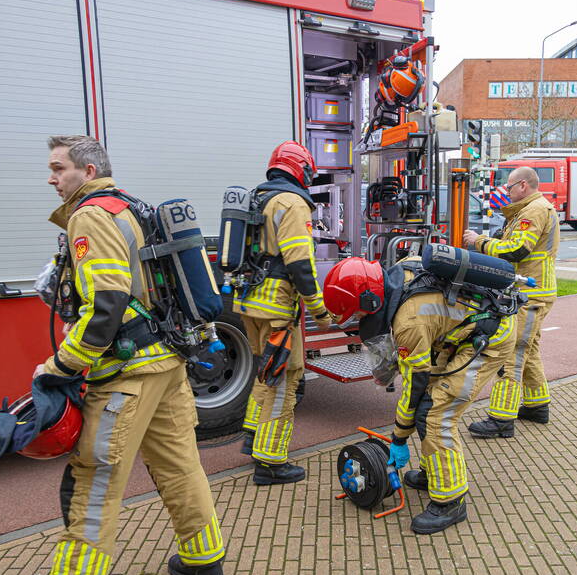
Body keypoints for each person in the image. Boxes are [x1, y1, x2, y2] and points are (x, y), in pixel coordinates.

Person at [0, 136, 226, 575]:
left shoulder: (90, 216)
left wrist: (59, 365)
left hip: (125, 377)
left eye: (58, 168)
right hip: (167, 364)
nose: (51, 178)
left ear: (88, 169)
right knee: (181, 465)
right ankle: (204, 560)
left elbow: (107, 302)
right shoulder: (131, 208)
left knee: (94, 483)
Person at [323, 256, 517, 534]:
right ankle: (433, 473)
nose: (358, 321)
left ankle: (450, 501)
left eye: (357, 314)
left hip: (489, 338)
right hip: (455, 334)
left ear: (369, 302)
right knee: (428, 406)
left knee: (438, 415)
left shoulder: (408, 322)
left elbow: (415, 383)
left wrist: (398, 438)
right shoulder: (399, 272)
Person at [237, 141, 333, 485]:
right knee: (286, 380)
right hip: (277, 305)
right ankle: (270, 461)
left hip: (249, 302)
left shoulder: (257, 197)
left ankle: (252, 436)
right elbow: (299, 263)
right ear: (301, 169)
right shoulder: (292, 203)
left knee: (267, 371)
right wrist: (318, 309)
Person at [462, 165, 559, 437]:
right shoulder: (532, 209)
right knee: (530, 349)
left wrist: (479, 242)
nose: (507, 192)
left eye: (510, 187)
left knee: (512, 352)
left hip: (530, 293)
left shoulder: (534, 211)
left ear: (523, 186)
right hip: (535, 290)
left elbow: (516, 249)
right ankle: (538, 405)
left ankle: (501, 420)